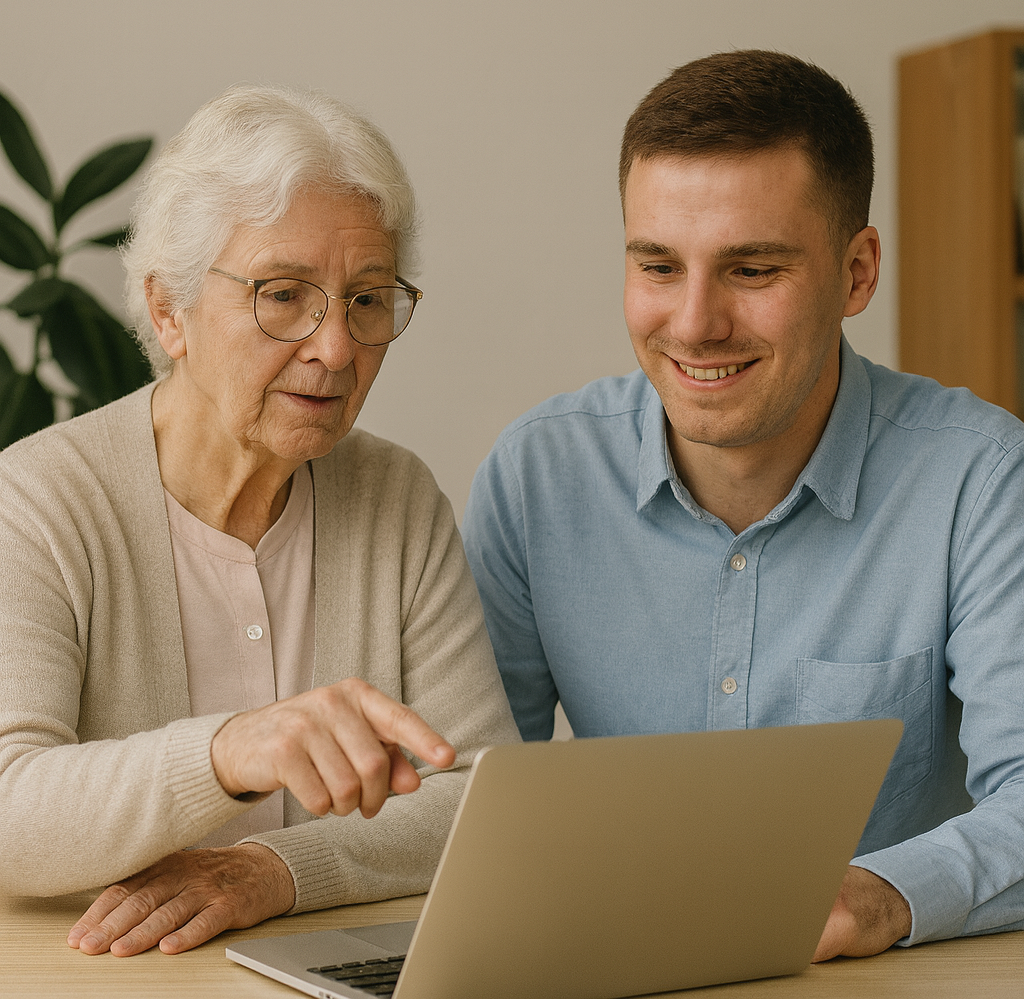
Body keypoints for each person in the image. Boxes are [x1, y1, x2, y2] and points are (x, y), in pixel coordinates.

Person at [462, 50, 1024, 962]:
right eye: (657, 266)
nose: (692, 324)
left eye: (752, 270)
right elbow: (466, 795)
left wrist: (878, 898)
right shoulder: (537, 478)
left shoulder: (983, 480)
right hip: (613, 965)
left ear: (857, 273)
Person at [0, 84, 518, 957]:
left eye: (367, 299)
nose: (337, 346)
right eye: (284, 294)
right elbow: (10, 810)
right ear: (170, 311)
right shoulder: (42, 497)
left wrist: (272, 871)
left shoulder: (397, 497)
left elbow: (481, 795)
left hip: (335, 967)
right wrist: (229, 752)